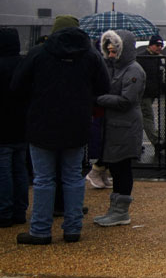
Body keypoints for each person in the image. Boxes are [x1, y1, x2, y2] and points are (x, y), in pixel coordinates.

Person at [9, 15, 110, 245]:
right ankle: (72, 229)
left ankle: (41, 230)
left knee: (44, 179)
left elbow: (17, 85)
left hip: (41, 123)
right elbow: (104, 86)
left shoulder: (39, 52)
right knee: (73, 177)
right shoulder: (90, 55)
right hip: (76, 123)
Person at [93, 30, 146, 227]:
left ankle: (120, 212)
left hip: (125, 126)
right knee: (115, 167)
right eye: (108, 50)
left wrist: (98, 99)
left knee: (122, 168)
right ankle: (115, 210)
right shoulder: (114, 68)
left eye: (114, 49)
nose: (110, 53)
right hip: (114, 125)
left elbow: (127, 100)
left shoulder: (133, 70)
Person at [0, 27, 30, 228]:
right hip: (22, 125)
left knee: (4, 172)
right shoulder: (24, 64)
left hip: (2, 126)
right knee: (20, 171)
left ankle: (4, 212)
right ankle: (20, 210)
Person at [136, 34, 166, 160]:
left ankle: (136, 144)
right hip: (144, 94)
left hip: (152, 93)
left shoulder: (158, 58)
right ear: (151, 45)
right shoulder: (143, 57)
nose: (159, 47)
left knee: (141, 119)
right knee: (147, 117)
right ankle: (157, 141)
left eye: (161, 45)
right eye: (157, 45)